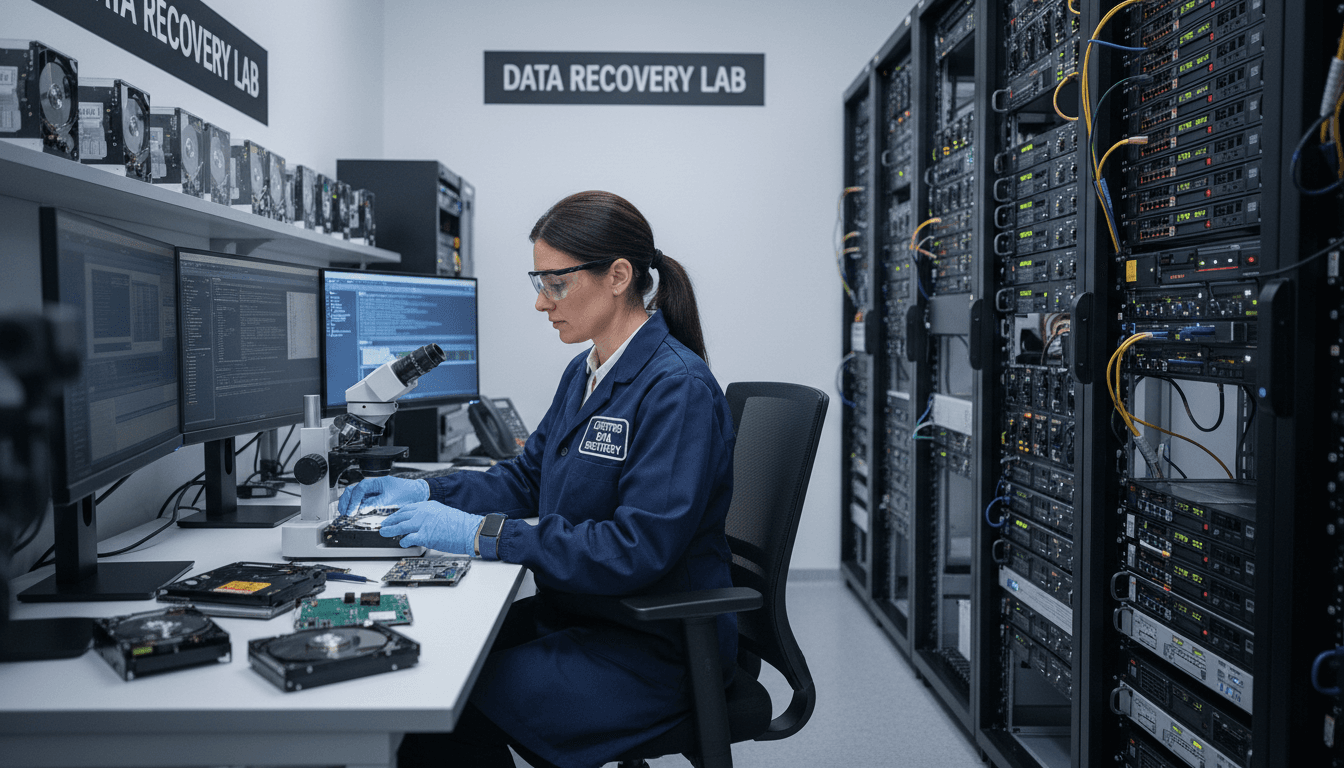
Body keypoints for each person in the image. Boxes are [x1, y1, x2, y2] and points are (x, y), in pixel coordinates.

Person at [337, 190, 738, 768]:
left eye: (557, 283)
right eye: (539, 283)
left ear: (619, 276)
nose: (542, 303)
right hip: (589, 615)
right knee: (427, 656)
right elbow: (529, 475)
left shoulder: (677, 389)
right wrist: (429, 490)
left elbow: (636, 549)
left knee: (443, 702)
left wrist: (483, 536)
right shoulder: (588, 370)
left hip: (654, 646)